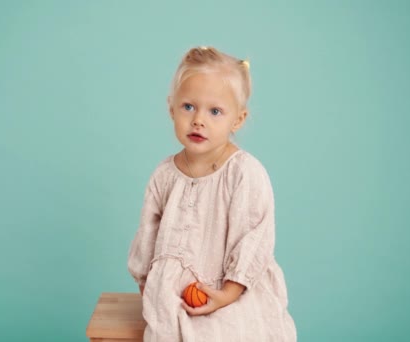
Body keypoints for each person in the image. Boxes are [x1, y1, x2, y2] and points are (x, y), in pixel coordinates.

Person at [127, 46, 297, 341]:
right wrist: (150, 287)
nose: (198, 120)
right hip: (175, 293)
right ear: (171, 108)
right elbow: (147, 236)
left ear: (238, 119)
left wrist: (227, 294)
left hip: (233, 290)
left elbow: (255, 238)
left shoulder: (243, 172)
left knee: (235, 330)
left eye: (215, 111)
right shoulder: (164, 175)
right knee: (166, 326)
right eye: (188, 107)